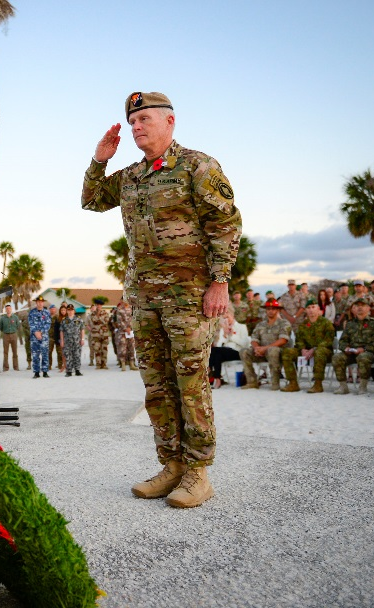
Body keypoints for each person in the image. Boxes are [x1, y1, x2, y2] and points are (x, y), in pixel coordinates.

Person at [82, 90, 241, 508]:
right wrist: (100, 160)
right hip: (146, 298)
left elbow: (225, 224)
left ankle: (197, 473)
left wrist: (220, 282)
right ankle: (170, 465)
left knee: (190, 385)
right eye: (132, 122)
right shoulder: (131, 176)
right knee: (156, 388)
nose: (136, 127)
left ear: (170, 121)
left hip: (190, 298)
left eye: (144, 119)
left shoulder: (197, 166)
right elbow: (92, 201)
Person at [280, 298, 335, 393]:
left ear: (318, 309)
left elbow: (328, 340)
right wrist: (302, 349)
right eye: (308, 308)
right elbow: (299, 340)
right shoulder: (303, 325)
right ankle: (293, 383)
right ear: (305, 310)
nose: (311, 310)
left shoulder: (326, 323)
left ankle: (318, 384)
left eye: (313, 307)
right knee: (287, 352)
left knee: (319, 351)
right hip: (306, 352)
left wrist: (314, 349)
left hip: (324, 352)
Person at [331, 297, 374, 394]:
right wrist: (345, 348)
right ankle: (343, 386)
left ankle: (362, 386)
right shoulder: (350, 324)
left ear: (368, 308)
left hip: (368, 353)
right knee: (337, 357)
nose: (360, 308)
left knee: (362, 356)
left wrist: (364, 349)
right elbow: (342, 340)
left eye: (363, 305)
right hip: (351, 353)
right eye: (357, 305)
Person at [240, 298, 290, 390]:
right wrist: (257, 348)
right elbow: (254, 338)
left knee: (272, 350)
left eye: (273, 309)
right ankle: (252, 381)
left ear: (278, 310)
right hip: (261, 352)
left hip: (278, 352)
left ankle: (275, 383)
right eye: (268, 309)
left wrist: (265, 348)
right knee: (244, 351)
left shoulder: (284, 323)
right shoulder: (261, 324)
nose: (270, 311)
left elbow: (283, 340)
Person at [208, 308, 249, 388]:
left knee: (214, 351)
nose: (226, 319)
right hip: (223, 353)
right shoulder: (223, 330)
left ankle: (210, 373)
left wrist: (232, 336)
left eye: (227, 317)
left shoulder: (241, 327)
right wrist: (225, 336)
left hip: (237, 352)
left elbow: (245, 343)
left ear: (232, 316)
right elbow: (219, 345)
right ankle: (217, 378)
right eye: (224, 318)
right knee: (216, 354)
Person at [28, 295, 52, 378]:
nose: (40, 303)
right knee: (35, 355)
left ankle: (45, 371)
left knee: (45, 354)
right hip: (34, 338)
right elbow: (30, 324)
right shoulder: (31, 312)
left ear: (43, 303)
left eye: (41, 302)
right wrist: (35, 332)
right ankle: (36, 372)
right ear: (36, 303)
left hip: (44, 337)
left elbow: (48, 324)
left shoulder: (47, 312)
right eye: (38, 302)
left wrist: (41, 332)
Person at [60, 304, 85, 377]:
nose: (70, 312)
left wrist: (82, 339)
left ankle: (77, 370)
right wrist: (62, 340)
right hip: (67, 341)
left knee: (77, 355)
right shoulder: (64, 320)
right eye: (69, 310)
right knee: (68, 356)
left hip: (77, 341)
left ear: (74, 311)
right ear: (67, 311)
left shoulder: (79, 319)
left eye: (71, 310)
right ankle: (69, 371)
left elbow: (82, 329)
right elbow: (61, 331)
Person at [88, 298, 111, 369]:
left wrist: (99, 318)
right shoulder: (92, 314)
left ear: (101, 306)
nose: (98, 306)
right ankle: (98, 364)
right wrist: (99, 318)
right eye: (97, 305)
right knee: (96, 349)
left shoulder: (105, 313)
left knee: (104, 349)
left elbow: (106, 322)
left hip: (104, 334)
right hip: (95, 334)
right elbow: (93, 321)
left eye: (100, 305)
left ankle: (104, 364)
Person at [0, 303, 21, 372]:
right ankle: (5, 367)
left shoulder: (15, 317)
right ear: (5, 310)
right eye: (7, 309)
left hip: (14, 335)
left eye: (9, 308)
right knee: (5, 352)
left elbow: (18, 325)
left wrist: (14, 331)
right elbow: (0, 327)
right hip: (6, 335)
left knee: (15, 352)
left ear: (11, 309)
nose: (8, 310)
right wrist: (5, 331)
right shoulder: (2, 318)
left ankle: (16, 367)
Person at [115, 301, 138, 371]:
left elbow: (135, 319)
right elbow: (119, 321)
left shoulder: (132, 309)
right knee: (122, 348)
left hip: (131, 331)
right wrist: (125, 328)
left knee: (131, 348)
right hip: (122, 332)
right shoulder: (119, 310)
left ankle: (132, 364)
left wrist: (131, 328)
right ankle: (123, 364)